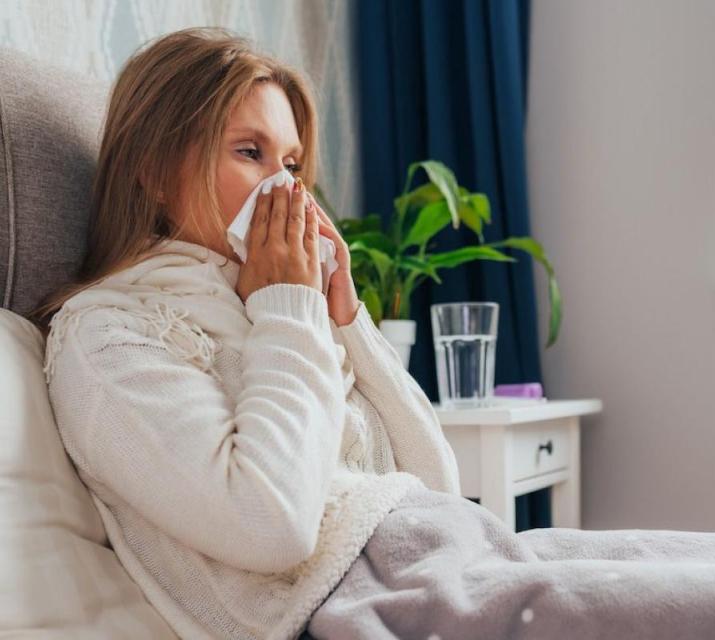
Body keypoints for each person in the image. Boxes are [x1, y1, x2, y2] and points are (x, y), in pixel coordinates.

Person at [31, 26, 460, 640]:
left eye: (291, 164)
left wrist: (347, 320)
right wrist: (288, 309)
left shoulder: (276, 312)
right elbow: (272, 525)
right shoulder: (106, 337)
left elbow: (440, 488)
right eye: (250, 152)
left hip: (441, 563)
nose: (284, 188)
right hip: (358, 609)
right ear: (155, 171)